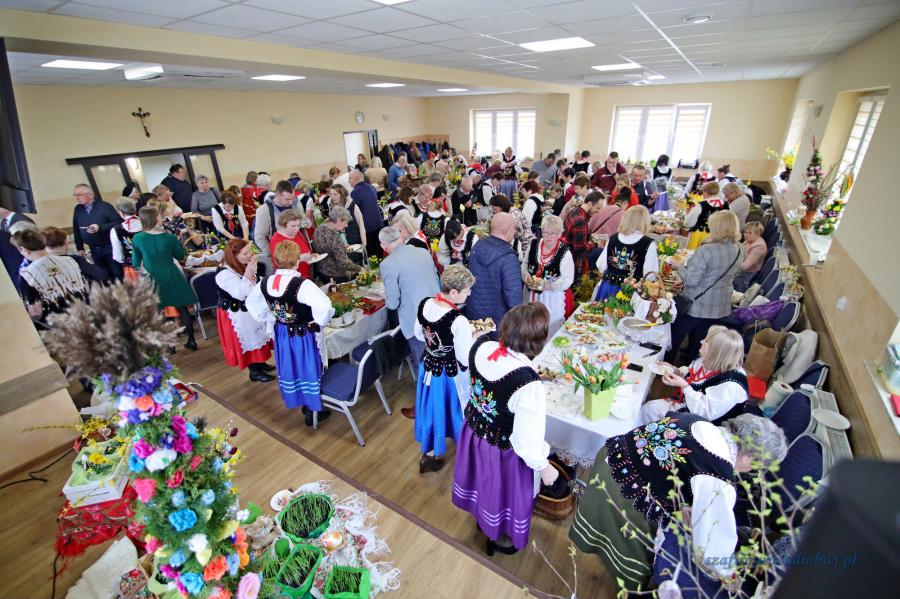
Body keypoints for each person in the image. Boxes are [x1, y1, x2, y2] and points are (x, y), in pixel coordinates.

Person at [570, 413, 787, 591]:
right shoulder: (719, 479)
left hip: (610, 459)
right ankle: (627, 586)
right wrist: (729, 575)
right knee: (637, 545)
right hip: (624, 488)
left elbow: (670, 466)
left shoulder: (698, 422)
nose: (748, 471)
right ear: (750, 456)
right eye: (755, 467)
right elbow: (712, 544)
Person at [452, 303, 559, 555]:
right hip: (502, 450)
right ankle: (497, 535)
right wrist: (544, 467)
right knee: (503, 493)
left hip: (474, 434)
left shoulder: (481, 346)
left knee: (482, 483)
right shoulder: (528, 383)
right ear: (537, 341)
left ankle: (484, 521)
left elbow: (465, 367)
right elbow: (526, 441)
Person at [246, 240, 334, 427]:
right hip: (304, 334)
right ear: (297, 261)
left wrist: (274, 317)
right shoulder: (302, 284)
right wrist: (319, 322)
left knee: (291, 366)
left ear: (276, 261)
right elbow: (325, 307)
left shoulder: (265, 283)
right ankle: (313, 410)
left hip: (282, 333)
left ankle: (302, 402)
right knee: (308, 366)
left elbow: (253, 305)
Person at [413, 264, 477, 473]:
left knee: (433, 408)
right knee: (456, 410)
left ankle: (430, 452)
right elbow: (463, 357)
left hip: (428, 367)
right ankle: (466, 456)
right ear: (454, 292)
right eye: (467, 290)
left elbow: (418, 334)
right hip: (449, 375)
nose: (469, 294)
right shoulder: (459, 320)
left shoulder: (425, 304)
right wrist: (474, 337)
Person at [665, 211, 743, 364]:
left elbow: (691, 280)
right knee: (700, 343)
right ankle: (691, 369)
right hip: (719, 305)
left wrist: (678, 267)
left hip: (696, 303)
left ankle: (666, 366)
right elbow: (735, 273)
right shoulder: (739, 248)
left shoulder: (706, 250)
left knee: (674, 336)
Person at [641, 325, 751, 424]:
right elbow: (692, 374)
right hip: (689, 404)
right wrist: (675, 370)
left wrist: (684, 386)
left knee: (650, 410)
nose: (701, 341)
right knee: (650, 408)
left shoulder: (731, 386)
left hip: (703, 424)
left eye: (707, 341)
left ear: (716, 351)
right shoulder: (707, 359)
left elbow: (705, 413)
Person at [132, 206, 199, 351]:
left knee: (160, 312)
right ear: (155, 218)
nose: (161, 218)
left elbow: (136, 262)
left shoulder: (138, 238)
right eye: (158, 216)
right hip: (171, 274)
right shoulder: (169, 237)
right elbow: (181, 256)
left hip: (152, 277)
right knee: (183, 308)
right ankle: (192, 341)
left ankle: (170, 345)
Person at [379, 225, 441, 383]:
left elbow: (393, 303)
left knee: (422, 363)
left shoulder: (387, 264)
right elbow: (436, 279)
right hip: (438, 310)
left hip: (415, 320)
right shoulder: (422, 252)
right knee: (440, 357)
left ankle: (425, 397)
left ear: (383, 246)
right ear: (400, 237)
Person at [215, 239, 275, 383]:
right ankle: (254, 372)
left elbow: (254, 284)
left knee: (259, 335)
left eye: (250, 251)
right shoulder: (223, 274)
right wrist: (249, 272)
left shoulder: (242, 265)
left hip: (250, 309)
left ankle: (260, 364)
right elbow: (240, 294)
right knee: (250, 338)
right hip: (236, 313)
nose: (250, 255)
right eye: (245, 253)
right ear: (234, 255)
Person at [12, 229, 91, 324]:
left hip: (59, 325)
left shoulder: (27, 275)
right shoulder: (71, 260)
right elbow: (87, 289)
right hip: (86, 316)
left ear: (24, 249)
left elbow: (36, 312)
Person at [464, 212, 522, 327]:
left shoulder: (477, 246)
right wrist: (519, 321)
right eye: (514, 228)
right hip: (496, 321)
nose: (515, 231)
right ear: (505, 231)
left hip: (473, 312)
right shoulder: (508, 258)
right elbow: (513, 295)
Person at [594, 205, 658, 300]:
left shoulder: (613, 238)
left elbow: (601, 265)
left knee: (604, 309)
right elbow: (650, 276)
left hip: (608, 287)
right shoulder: (648, 243)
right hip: (631, 292)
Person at [523, 215, 574, 333]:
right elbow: (525, 265)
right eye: (545, 232)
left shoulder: (565, 253)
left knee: (548, 329)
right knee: (529, 327)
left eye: (553, 233)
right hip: (530, 295)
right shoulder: (533, 244)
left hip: (550, 298)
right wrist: (525, 276)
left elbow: (568, 279)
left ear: (559, 234)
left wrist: (550, 286)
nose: (548, 236)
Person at [71, 183, 123, 280]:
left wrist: (100, 228)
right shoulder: (78, 209)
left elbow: (119, 222)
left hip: (109, 246)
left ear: (90, 195)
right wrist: (80, 247)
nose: (76, 198)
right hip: (93, 248)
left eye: (79, 195)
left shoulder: (105, 206)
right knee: (103, 275)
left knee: (117, 272)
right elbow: (76, 228)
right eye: (75, 195)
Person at [254, 180, 299, 275]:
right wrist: (272, 254)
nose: (291, 202)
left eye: (292, 198)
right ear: (277, 195)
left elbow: (302, 226)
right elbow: (259, 236)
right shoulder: (264, 210)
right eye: (287, 199)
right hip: (281, 258)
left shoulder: (296, 204)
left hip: (299, 253)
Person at [312, 206, 361, 283]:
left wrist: (341, 247)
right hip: (335, 275)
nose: (346, 226)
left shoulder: (319, 228)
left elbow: (325, 248)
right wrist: (359, 268)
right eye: (346, 223)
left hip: (321, 271)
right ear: (338, 220)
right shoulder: (334, 236)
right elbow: (343, 262)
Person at [563, 188, 601, 274]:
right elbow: (579, 248)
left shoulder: (575, 210)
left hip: (567, 252)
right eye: (597, 208)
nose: (598, 211)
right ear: (590, 204)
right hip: (572, 260)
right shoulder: (581, 220)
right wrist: (594, 245)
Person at [270, 209, 314, 279]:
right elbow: (279, 263)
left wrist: (311, 255)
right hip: (291, 278)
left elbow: (305, 248)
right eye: (293, 226)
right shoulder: (276, 240)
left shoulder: (297, 233)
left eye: (298, 225)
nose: (297, 229)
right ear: (283, 225)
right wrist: (300, 258)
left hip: (306, 274)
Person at [349, 168, 384, 257]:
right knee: (379, 251)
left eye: (350, 178)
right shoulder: (371, 187)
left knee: (371, 255)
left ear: (356, 178)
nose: (349, 181)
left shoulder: (355, 192)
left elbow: (353, 212)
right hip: (378, 223)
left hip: (367, 228)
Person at [685, 181, 727, 250]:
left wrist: (687, 215)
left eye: (703, 192)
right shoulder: (726, 205)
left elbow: (688, 223)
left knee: (695, 254)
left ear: (706, 191)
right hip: (720, 236)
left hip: (701, 236)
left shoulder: (701, 205)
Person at [110, 197, 143, 281]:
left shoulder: (116, 230)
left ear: (120, 212)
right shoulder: (146, 223)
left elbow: (118, 257)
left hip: (133, 269)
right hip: (153, 263)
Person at [734, 221, 767, 292]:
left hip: (746, 275)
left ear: (758, 234)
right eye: (745, 232)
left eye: (750, 233)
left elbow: (745, 267)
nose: (745, 235)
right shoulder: (749, 240)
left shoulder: (759, 247)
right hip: (740, 269)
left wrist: (732, 261)